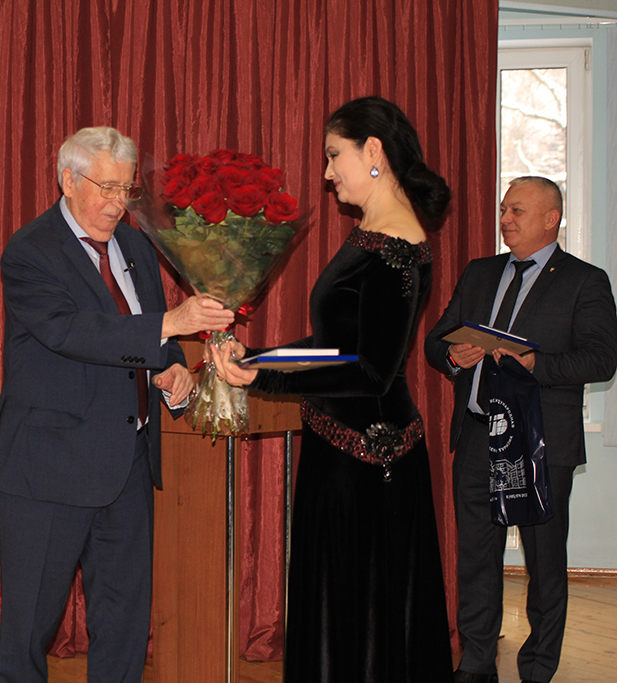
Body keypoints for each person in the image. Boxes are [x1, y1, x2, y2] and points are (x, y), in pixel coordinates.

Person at [210, 96, 454, 683]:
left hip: (367, 466)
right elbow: (333, 343)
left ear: (373, 151)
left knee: (360, 623)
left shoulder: (397, 248)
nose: (327, 172)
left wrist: (267, 377)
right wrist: (258, 357)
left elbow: (370, 373)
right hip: (339, 453)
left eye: (333, 155)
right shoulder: (370, 231)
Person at [0, 126, 235, 682]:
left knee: (124, 630)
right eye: (106, 188)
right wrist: (171, 324)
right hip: (46, 474)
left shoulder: (136, 247)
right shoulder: (30, 250)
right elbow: (71, 331)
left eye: (126, 190)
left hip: (128, 469)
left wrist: (173, 367)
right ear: (68, 181)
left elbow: (151, 336)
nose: (119, 203)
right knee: (28, 635)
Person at [425, 176, 617, 683]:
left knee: (544, 562)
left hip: (540, 444)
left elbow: (601, 359)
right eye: (503, 209)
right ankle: (476, 662)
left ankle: (537, 667)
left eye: (517, 211)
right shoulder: (480, 272)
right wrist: (453, 354)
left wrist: (534, 362)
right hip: (477, 436)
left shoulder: (584, 280)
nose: (505, 219)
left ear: (551, 219)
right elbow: (436, 340)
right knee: (477, 557)